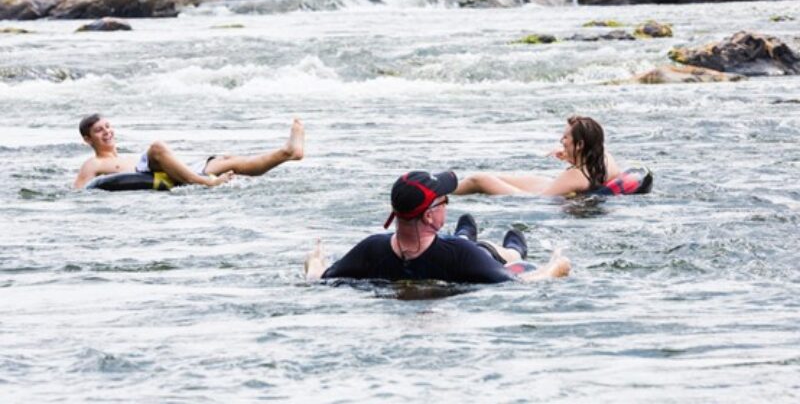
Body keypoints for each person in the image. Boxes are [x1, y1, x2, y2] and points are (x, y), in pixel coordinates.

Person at [304, 170, 571, 284]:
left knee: (466, 240)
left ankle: (470, 231)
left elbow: (318, 279)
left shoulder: (370, 250)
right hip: (476, 254)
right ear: (430, 216)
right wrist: (556, 267)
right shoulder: (462, 254)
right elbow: (522, 283)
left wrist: (314, 261)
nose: (447, 204)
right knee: (501, 252)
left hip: (451, 246)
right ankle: (513, 245)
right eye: (444, 201)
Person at [74, 114, 305, 189]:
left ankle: (287, 153)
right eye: (98, 131)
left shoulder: (128, 156)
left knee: (226, 160)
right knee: (157, 147)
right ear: (87, 139)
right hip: (154, 173)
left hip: (178, 172)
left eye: (108, 127)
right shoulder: (93, 164)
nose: (107, 132)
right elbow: (78, 192)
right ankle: (207, 183)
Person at [453, 116, 621, 197]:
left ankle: (443, 193)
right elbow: (587, 170)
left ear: (580, 145)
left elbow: (540, 201)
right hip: (552, 185)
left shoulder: (574, 176)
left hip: (535, 197)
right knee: (496, 177)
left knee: (479, 179)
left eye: (566, 138)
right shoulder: (606, 159)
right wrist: (571, 156)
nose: (561, 141)